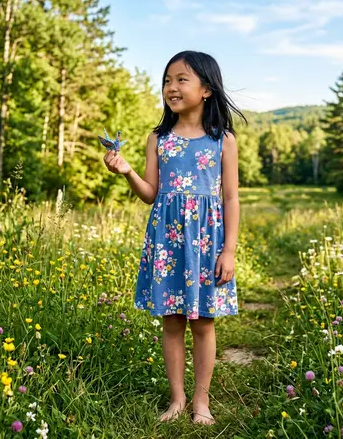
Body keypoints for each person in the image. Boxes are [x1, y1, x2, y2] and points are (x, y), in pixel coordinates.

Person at [103, 50, 247, 425]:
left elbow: (230, 197)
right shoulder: (159, 138)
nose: (172, 87)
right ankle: (178, 398)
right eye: (168, 80)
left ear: (207, 90)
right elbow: (151, 192)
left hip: (207, 241)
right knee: (171, 320)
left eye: (182, 79)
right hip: (167, 241)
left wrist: (229, 250)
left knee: (203, 322)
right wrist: (127, 170)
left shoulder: (223, 139)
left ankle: (202, 401)